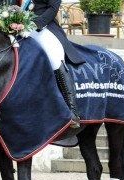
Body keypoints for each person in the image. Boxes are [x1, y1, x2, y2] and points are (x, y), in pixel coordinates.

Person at [11, 0, 85, 128]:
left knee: (55, 58)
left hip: (43, 28)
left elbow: (52, 9)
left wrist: (34, 24)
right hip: (19, 28)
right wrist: (11, 22)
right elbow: (14, 6)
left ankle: (72, 110)